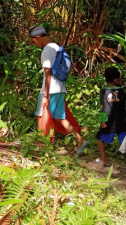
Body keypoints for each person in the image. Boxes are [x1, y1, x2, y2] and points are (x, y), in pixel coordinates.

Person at [29, 26, 89, 155]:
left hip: (51, 90)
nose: (34, 44)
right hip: (60, 88)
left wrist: (45, 95)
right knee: (59, 117)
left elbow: (48, 74)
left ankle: (42, 145)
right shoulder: (56, 47)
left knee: (41, 116)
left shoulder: (46, 50)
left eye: (33, 41)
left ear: (38, 37)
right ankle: (80, 140)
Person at [95, 67, 126, 172]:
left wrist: (103, 121)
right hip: (121, 120)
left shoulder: (104, 91)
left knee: (99, 137)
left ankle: (103, 158)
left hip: (110, 122)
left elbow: (104, 107)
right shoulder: (121, 91)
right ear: (116, 80)